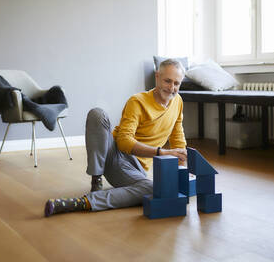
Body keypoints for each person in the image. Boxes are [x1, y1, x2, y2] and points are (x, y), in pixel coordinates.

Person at [44, 59, 188, 217]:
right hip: (114, 154)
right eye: (167, 81)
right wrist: (162, 153)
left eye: (176, 83)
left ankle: (84, 202)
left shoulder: (178, 102)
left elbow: (178, 139)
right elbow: (124, 141)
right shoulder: (137, 101)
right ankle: (96, 180)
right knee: (97, 114)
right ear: (157, 76)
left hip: (133, 169)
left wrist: (182, 173)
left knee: (152, 188)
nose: (172, 88)